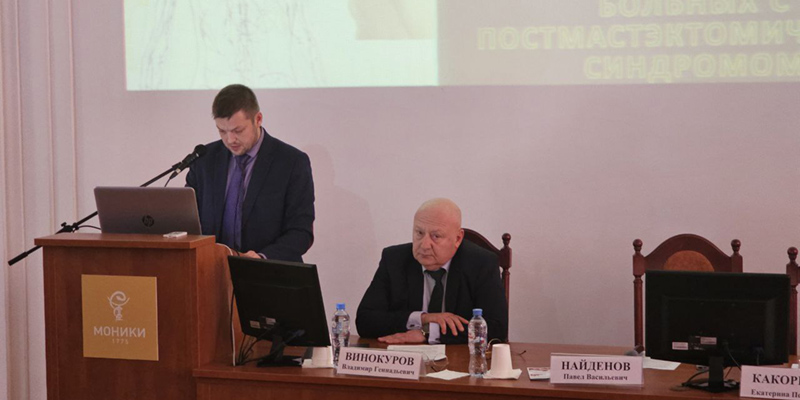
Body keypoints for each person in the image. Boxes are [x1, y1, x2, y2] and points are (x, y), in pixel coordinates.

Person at [186, 84, 314, 262]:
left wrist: (262, 257)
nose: (230, 139)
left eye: (238, 131)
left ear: (258, 119)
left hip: (269, 271)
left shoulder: (291, 162)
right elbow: (189, 222)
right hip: (211, 269)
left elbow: (301, 232)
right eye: (222, 131)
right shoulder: (204, 160)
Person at [356, 198, 508, 344]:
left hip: (459, 358)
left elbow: (497, 328)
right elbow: (365, 320)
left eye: (436, 236)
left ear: (457, 238)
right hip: (407, 357)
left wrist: (428, 333)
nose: (424, 245)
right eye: (419, 233)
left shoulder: (481, 263)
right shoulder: (394, 260)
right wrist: (423, 318)